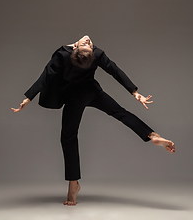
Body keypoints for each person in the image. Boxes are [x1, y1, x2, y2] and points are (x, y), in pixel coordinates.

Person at [11, 35, 175, 206]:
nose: (88, 41)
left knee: (68, 137)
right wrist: (134, 93)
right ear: (76, 49)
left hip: (77, 97)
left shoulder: (65, 54)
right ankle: (151, 135)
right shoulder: (87, 53)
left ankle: (73, 186)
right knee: (120, 113)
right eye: (87, 44)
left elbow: (47, 74)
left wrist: (135, 92)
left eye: (88, 44)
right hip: (91, 93)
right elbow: (113, 70)